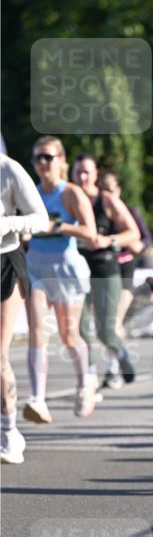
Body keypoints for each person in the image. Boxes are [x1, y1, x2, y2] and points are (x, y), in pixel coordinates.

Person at [23, 137, 97, 421]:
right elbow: (27, 228)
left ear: (62, 160)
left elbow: (91, 234)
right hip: (36, 266)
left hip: (67, 269)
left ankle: (86, 381)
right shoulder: (31, 193)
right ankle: (38, 399)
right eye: (37, 158)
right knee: (37, 332)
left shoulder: (71, 194)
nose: (42, 163)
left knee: (68, 334)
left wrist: (59, 226)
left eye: (48, 157)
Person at [72, 154, 140, 390]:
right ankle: (88, 377)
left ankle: (122, 356)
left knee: (106, 330)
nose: (82, 176)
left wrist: (107, 240)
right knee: (80, 328)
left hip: (105, 268)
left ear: (95, 175)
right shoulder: (66, 198)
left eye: (86, 172)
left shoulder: (106, 200)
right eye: (78, 171)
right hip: (76, 271)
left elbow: (134, 233)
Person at [1, 154, 49, 463]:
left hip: (6, 261)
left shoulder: (8, 169)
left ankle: (9, 431)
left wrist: (7, 223)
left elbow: (41, 219)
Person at [98, 170, 153, 355]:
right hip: (102, 269)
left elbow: (145, 239)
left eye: (110, 189)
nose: (106, 194)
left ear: (118, 190)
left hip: (124, 269)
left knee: (114, 321)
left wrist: (135, 243)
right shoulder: (95, 214)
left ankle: (114, 367)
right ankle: (121, 357)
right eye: (102, 189)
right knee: (104, 325)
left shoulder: (129, 212)